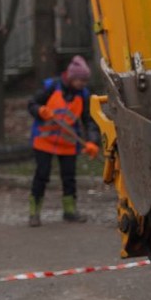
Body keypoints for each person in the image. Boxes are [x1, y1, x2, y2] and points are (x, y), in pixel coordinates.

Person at [27, 55, 100, 227]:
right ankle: (34, 212)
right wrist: (40, 110)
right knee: (42, 175)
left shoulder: (83, 95)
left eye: (85, 80)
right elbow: (31, 104)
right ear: (72, 77)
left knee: (69, 178)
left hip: (68, 144)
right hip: (44, 141)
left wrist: (92, 141)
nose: (83, 83)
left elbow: (89, 120)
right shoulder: (51, 87)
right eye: (80, 80)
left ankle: (70, 211)